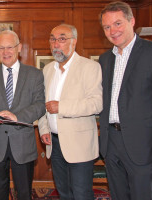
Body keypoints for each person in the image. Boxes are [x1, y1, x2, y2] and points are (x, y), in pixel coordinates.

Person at [99, 1, 152, 199]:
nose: (112, 30)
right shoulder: (105, 59)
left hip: (143, 146)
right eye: (107, 26)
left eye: (118, 23)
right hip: (111, 144)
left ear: (132, 21)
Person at [0, 30, 45, 200]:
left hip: (23, 144)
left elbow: (40, 105)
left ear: (19, 47)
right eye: (1, 48)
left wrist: (17, 116)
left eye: (9, 47)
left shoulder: (34, 74)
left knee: (24, 193)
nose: (5, 52)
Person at [38, 24, 103, 200]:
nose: (56, 44)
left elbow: (96, 104)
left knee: (81, 194)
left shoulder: (89, 67)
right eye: (53, 39)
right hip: (54, 143)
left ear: (74, 42)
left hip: (79, 144)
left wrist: (62, 107)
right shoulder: (47, 70)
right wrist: (44, 128)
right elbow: (42, 104)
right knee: (64, 192)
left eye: (62, 38)